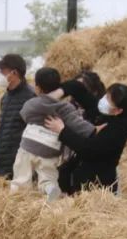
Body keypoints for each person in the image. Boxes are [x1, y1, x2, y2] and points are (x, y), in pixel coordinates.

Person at [10, 67, 97, 199]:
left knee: (21, 177)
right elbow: (79, 125)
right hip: (51, 149)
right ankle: (50, 189)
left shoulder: (32, 104)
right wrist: (94, 129)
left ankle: (17, 198)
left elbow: (24, 115)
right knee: (48, 177)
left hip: (28, 146)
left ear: (37, 88)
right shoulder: (65, 108)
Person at [43, 82, 127, 194]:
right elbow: (77, 88)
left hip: (93, 185)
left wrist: (62, 131)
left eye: (108, 100)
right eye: (106, 95)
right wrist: (57, 94)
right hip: (76, 171)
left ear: (118, 111)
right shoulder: (108, 113)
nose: (104, 100)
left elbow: (88, 149)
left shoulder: (116, 131)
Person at [0, 54, 35, 180]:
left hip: (19, 163)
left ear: (14, 73)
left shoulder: (30, 97)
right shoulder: (5, 97)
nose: (0, 73)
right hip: (1, 161)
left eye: (2, 70)